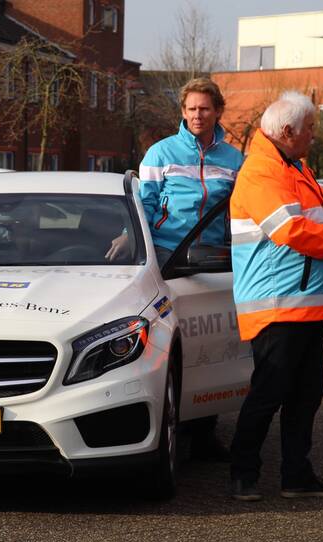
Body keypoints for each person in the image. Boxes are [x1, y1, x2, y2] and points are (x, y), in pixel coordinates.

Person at [227, 91, 323, 502]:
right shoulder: (261, 173)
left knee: (306, 394)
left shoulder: (292, 168)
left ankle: (296, 476)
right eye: (309, 129)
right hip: (278, 305)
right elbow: (291, 230)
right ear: (287, 131)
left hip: (301, 304)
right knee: (269, 393)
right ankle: (243, 474)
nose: (313, 136)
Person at [110, 77, 244, 461]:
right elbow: (145, 205)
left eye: (204, 108)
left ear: (217, 111)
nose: (197, 115)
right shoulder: (160, 153)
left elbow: (243, 212)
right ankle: (173, 421)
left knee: (211, 344)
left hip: (215, 259)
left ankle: (204, 429)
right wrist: (127, 237)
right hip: (168, 259)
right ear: (182, 113)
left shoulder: (235, 160)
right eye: (191, 109)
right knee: (172, 341)